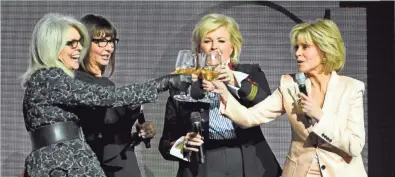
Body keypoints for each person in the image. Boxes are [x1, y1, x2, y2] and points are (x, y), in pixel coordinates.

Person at [21, 13, 191, 177]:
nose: (79, 47)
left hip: (61, 161)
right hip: (64, 163)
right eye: (71, 43)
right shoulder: (50, 77)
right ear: (52, 46)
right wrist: (164, 82)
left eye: (80, 42)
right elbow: (109, 97)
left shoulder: (45, 79)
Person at [207, 19, 367, 177]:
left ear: (325, 51)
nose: (297, 53)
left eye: (305, 47)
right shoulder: (290, 85)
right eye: (296, 47)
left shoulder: (351, 88)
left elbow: (354, 145)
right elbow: (249, 117)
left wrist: (319, 116)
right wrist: (223, 91)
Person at [159, 13, 282, 177]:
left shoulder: (249, 73)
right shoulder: (183, 85)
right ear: (198, 49)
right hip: (204, 162)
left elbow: (265, 102)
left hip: (247, 158)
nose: (214, 47)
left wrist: (233, 80)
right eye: (207, 41)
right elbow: (166, 144)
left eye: (221, 41)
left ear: (232, 47)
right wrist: (183, 144)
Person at [74, 14, 154, 177]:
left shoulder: (106, 83)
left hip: (123, 163)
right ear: (85, 44)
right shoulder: (79, 83)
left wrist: (137, 135)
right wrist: (133, 105)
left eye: (111, 41)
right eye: (102, 41)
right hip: (103, 168)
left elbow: (111, 133)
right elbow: (99, 128)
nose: (109, 48)